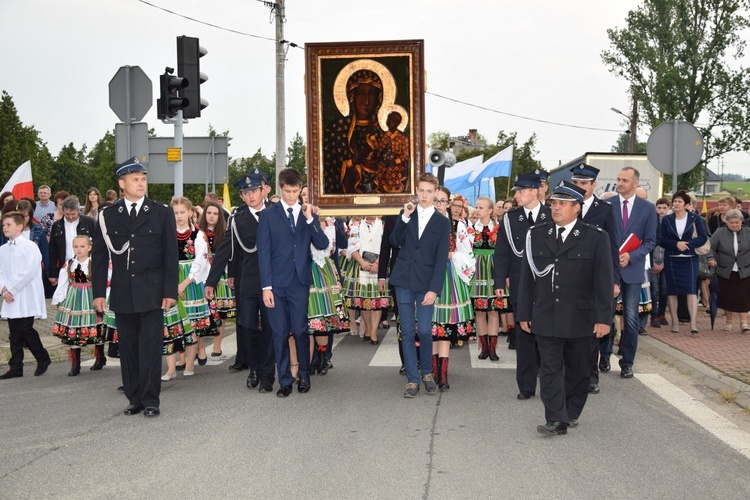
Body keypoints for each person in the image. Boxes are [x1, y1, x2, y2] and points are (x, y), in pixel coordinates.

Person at [517, 181, 613, 436]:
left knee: (578, 371)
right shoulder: (537, 234)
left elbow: (603, 281)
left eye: (562, 204)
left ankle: (571, 411)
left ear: (577, 208)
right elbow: (527, 278)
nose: (556, 208)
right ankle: (556, 418)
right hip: (546, 314)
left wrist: (604, 318)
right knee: (549, 369)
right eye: (554, 203)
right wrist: (524, 313)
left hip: (581, 317)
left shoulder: (595, 237)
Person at [92, 157, 178, 418]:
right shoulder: (107, 215)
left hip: (152, 292)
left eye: (143, 179)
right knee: (128, 348)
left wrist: (169, 292)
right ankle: (135, 397)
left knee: (150, 347)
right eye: (135, 180)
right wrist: (98, 293)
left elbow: (170, 256)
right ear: (122, 183)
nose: (141, 184)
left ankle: (151, 400)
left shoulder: (161, 212)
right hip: (122, 291)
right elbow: (99, 256)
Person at [258, 168, 329, 397]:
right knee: (279, 333)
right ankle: (285, 380)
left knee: (299, 331)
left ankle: (305, 375)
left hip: (299, 282)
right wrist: (266, 287)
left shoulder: (308, 215)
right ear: (280, 188)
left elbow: (321, 243)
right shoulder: (268, 215)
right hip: (276, 285)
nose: (291, 195)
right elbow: (264, 253)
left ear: (301, 189)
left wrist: (310, 220)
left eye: (295, 191)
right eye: (287, 191)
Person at [206, 170, 276, 393]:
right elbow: (226, 251)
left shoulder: (276, 214)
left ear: (262, 191)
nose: (251, 195)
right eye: (246, 193)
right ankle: (254, 368)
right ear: (242, 197)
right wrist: (211, 281)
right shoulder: (237, 220)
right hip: (248, 281)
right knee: (246, 326)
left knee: (270, 328)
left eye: (254, 190)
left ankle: (267, 373)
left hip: (272, 281)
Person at [388, 172, 451, 398]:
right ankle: (413, 379)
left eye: (429, 191)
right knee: (406, 331)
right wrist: (404, 217)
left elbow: (441, 257)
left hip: (426, 284)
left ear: (435, 194)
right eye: (421, 190)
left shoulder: (443, 222)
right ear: (417, 191)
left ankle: (427, 372)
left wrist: (434, 289)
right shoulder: (407, 215)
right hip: (403, 280)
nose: (424, 195)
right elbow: (394, 241)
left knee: (424, 330)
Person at [494, 173, 552, 400]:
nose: (516, 195)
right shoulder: (511, 217)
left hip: (547, 283)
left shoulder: (551, 214)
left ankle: (548, 379)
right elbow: (502, 251)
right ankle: (526, 386)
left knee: (547, 333)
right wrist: (500, 280)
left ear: (536, 191)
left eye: (521, 191)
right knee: (524, 332)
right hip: (520, 283)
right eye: (516, 191)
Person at [569, 163, 619, 395]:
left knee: (593, 329)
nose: (579, 187)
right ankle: (570, 373)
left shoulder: (605, 209)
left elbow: (613, 247)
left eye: (583, 183)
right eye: (576, 182)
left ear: (593, 185)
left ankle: (591, 376)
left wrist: (614, 280)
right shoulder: (567, 205)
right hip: (570, 278)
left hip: (595, 278)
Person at [160, 197, 220, 381]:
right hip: (171, 278)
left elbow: (200, 262)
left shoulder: (197, 234)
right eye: (175, 213)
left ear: (190, 213)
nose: (179, 216)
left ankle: (189, 362)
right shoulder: (166, 233)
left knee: (192, 324)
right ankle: (174, 364)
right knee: (172, 324)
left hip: (191, 280)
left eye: (182, 212)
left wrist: (184, 283)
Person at [611, 167, 657, 378]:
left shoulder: (647, 209)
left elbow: (650, 241)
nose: (620, 183)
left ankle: (627, 362)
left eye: (624, 180)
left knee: (630, 318)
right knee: (606, 314)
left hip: (633, 269)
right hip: (609, 271)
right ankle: (603, 356)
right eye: (619, 179)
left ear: (635, 183)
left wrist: (632, 256)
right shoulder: (607, 205)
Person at [431, 187, 475, 391]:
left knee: (445, 325)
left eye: (442, 201)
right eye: (436, 201)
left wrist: (452, 255)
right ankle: (432, 370)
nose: (439, 204)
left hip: (448, 276)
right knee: (430, 324)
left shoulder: (456, 225)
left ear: (448, 204)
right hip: (428, 274)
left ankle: (443, 374)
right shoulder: (423, 222)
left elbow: (468, 254)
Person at [0, 211, 52, 379]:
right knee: (14, 332)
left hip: (25, 294)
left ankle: (42, 357)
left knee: (25, 329)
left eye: (8, 224)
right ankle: (16, 367)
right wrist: (3, 289)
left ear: (20, 226)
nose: (4, 227)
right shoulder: (2, 249)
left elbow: (28, 272)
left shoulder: (31, 247)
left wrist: (11, 289)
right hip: (10, 296)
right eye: (3, 224)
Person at [323, 69, 388, 194]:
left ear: (379, 98)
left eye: (372, 94)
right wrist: (351, 163)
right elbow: (329, 168)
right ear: (352, 96)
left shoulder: (382, 133)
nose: (367, 101)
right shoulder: (337, 129)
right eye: (361, 94)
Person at [51, 234, 106, 375]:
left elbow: (104, 281)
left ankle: (100, 358)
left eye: (82, 246)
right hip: (74, 298)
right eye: (76, 246)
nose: (79, 249)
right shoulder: (69, 264)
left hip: (91, 296)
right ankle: (75, 365)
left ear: (89, 248)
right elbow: (63, 283)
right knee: (73, 329)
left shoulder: (95, 263)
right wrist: (59, 298)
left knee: (96, 326)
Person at [658, 190, 708, 334]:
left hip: (690, 259)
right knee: (672, 291)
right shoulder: (667, 220)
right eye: (675, 201)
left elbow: (703, 237)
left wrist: (687, 245)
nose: (676, 204)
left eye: (680, 201)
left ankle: (693, 323)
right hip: (672, 259)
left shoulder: (695, 218)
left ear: (687, 204)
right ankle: (674, 322)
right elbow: (661, 239)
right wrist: (676, 244)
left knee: (691, 290)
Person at [342, 215, 390, 344]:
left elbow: (388, 246)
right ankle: (368, 328)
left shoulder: (384, 224)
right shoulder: (356, 225)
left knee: (377, 301)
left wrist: (378, 264)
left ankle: (373, 332)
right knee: (364, 301)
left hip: (380, 265)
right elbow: (352, 246)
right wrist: (362, 262)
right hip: (360, 265)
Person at [468, 197, 501, 361]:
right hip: (477, 271)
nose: (477, 210)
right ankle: (484, 347)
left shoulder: (498, 229)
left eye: (481, 207)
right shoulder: (471, 229)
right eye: (476, 207)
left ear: (490, 211)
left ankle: (493, 348)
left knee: (494, 310)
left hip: (494, 270)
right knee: (480, 311)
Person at [707, 209, 750, 332]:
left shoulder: (748, 232)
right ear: (726, 222)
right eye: (732, 223)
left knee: (744, 297)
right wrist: (711, 259)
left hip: (745, 270)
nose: (735, 225)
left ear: (742, 221)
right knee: (728, 297)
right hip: (725, 270)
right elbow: (710, 248)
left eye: (737, 222)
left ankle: (744, 322)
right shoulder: (720, 232)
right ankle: (729, 321)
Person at [199, 202, 231, 357]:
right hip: (202, 273)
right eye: (209, 213)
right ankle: (199, 347)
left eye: (215, 213)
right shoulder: (197, 232)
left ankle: (217, 345)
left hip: (219, 273)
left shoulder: (224, 233)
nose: (211, 216)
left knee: (220, 311)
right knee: (201, 311)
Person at [48, 196, 95, 288]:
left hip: (88, 268)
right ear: (63, 211)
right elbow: (52, 251)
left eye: (73, 214)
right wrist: (53, 273)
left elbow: (98, 245)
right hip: (65, 268)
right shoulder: (57, 226)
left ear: (78, 210)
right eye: (67, 214)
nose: (70, 217)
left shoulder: (90, 222)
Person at [650, 198, 670, 327]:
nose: (661, 211)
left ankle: (662, 313)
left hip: (666, 262)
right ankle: (654, 315)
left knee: (664, 290)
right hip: (653, 261)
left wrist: (663, 264)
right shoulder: (652, 222)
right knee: (654, 289)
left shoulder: (670, 223)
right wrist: (653, 263)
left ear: (668, 208)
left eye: (664, 208)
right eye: (659, 208)